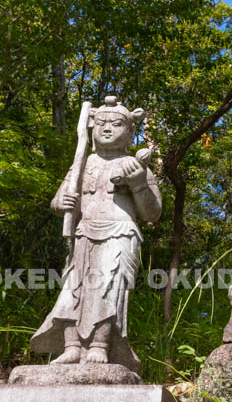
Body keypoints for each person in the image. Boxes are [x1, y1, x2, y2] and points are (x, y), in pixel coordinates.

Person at [30, 96, 162, 372]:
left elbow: (153, 213)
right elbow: (59, 200)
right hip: (83, 233)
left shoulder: (134, 164)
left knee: (107, 288)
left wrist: (138, 183)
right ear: (91, 128)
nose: (107, 128)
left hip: (119, 233)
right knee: (73, 289)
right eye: (101, 123)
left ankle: (101, 346)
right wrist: (61, 203)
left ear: (129, 131)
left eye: (116, 124)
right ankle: (71, 347)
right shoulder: (84, 162)